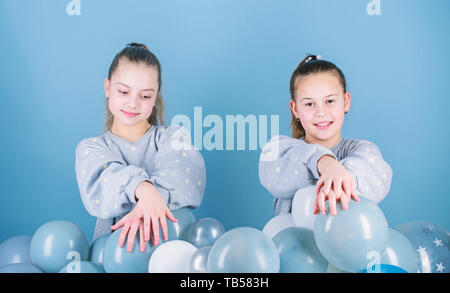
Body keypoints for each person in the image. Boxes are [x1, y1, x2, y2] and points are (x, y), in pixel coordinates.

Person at [75, 43, 206, 252]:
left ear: (155, 98)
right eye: (124, 91)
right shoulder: (91, 149)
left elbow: (185, 178)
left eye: (145, 96)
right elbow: (99, 184)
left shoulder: (173, 138)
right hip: (113, 257)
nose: (133, 103)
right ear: (108, 88)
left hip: (170, 259)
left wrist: (151, 198)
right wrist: (143, 189)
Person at [259, 54, 392, 217]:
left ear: (346, 101)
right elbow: (272, 172)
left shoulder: (363, 151)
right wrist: (327, 165)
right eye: (309, 104)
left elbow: (375, 179)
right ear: (295, 109)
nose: (320, 112)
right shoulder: (282, 151)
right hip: (294, 242)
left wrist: (340, 176)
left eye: (329, 101)